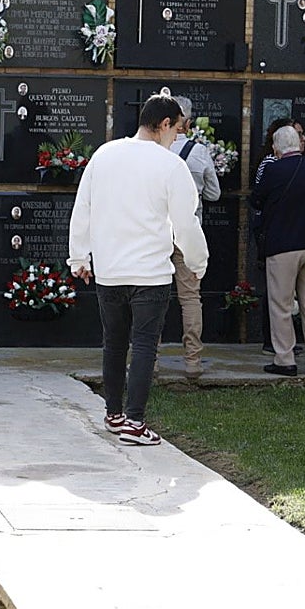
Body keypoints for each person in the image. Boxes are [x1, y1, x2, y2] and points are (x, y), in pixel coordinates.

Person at [68, 95, 209, 446]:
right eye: (177, 129)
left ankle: (114, 415)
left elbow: (83, 207)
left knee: (113, 344)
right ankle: (134, 421)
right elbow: (185, 224)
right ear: (163, 124)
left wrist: (79, 258)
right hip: (150, 273)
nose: (177, 137)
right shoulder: (170, 166)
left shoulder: (104, 155)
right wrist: (197, 261)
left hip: (110, 270)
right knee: (145, 346)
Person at [253, 124, 305, 376]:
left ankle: (285, 359)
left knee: (280, 304)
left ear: (277, 147)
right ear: (298, 144)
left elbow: (257, 200)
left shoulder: (273, 170)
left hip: (282, 247)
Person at [169, 95, 221, 377]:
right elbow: (214, 194)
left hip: (158, 234)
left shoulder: (154, 150)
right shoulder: (198, 153)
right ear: (187, 123)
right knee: (190, 297)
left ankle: (149, 360)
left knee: (151, 297)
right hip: (188, 233)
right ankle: (193, 361)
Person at [252, 117, 305, 354]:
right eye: (298, 134)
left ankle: (287, 342)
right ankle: (272, 341)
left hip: (292, 232)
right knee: (276, 291)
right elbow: (259, 197)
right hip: (275, 232)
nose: (302, 139)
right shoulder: (270, 164)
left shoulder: (303, 165)